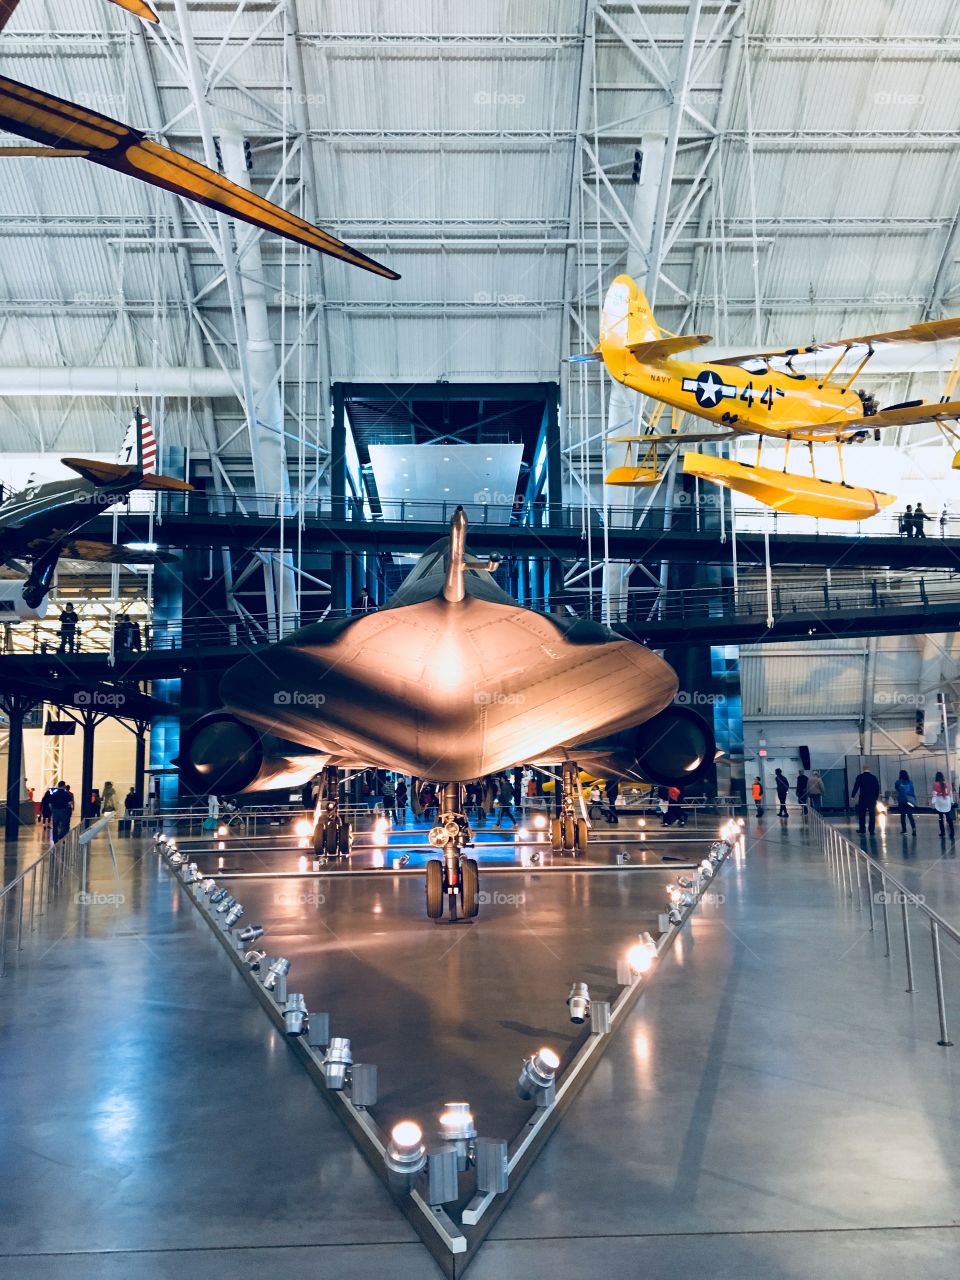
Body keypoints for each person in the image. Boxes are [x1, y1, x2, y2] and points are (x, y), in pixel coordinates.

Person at [851, 764, 880, 834]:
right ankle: (872, 830)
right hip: (872, 798)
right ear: (869, 769)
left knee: (862, 814)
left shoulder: (860, 777)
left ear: (863, 769)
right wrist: (876, 797)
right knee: (872, 814)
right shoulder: (873, 777)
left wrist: (852, 796)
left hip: (863, 798)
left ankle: (862, 829)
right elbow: (877, 788)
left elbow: (856, 786)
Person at [932, 771, 955, 840]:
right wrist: (952, 802)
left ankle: (942, 832)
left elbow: (934, 794)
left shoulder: (935, 784)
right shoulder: (947, 784)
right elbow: (950, 794)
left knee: (940, 818)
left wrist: (933, 802)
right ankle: (952, 832)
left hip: (940, 802)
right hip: (947, 802)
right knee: (949, 817)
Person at [894, 769, 917, 834]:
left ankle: (904, 830)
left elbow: (897, 788)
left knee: (902, 815)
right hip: (909, 800)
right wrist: (914, 799)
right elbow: (912, 791)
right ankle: (914, 828)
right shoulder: (910, 782)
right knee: (910, 815)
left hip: (902, 800)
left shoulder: (898, 782)